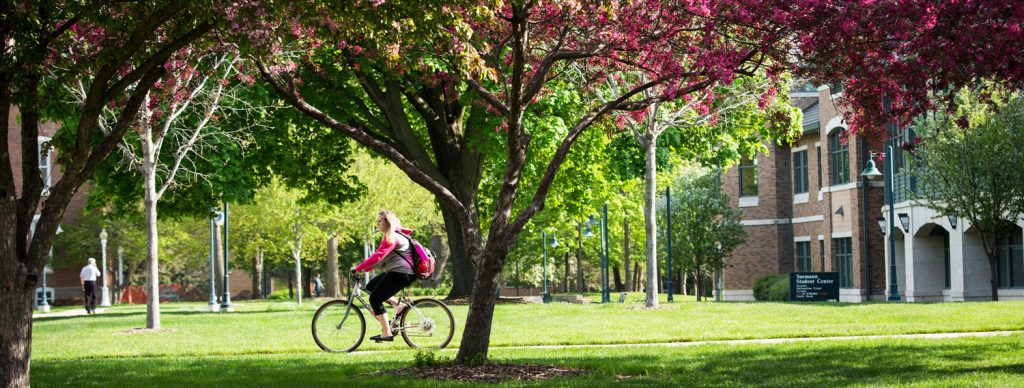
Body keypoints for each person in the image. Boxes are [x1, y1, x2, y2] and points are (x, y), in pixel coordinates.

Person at [351, 210, 417, 342]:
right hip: (399, 272)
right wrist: (363, 269)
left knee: (375, 299)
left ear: (387, 222)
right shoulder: (395, 235)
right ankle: (398, 306)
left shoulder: (392, 236)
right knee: (370, 286)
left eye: (380, 221)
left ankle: (387, 333)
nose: (377, 224)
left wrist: (358, 268)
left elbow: (378, 256)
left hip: (401, 273)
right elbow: (380, 259)